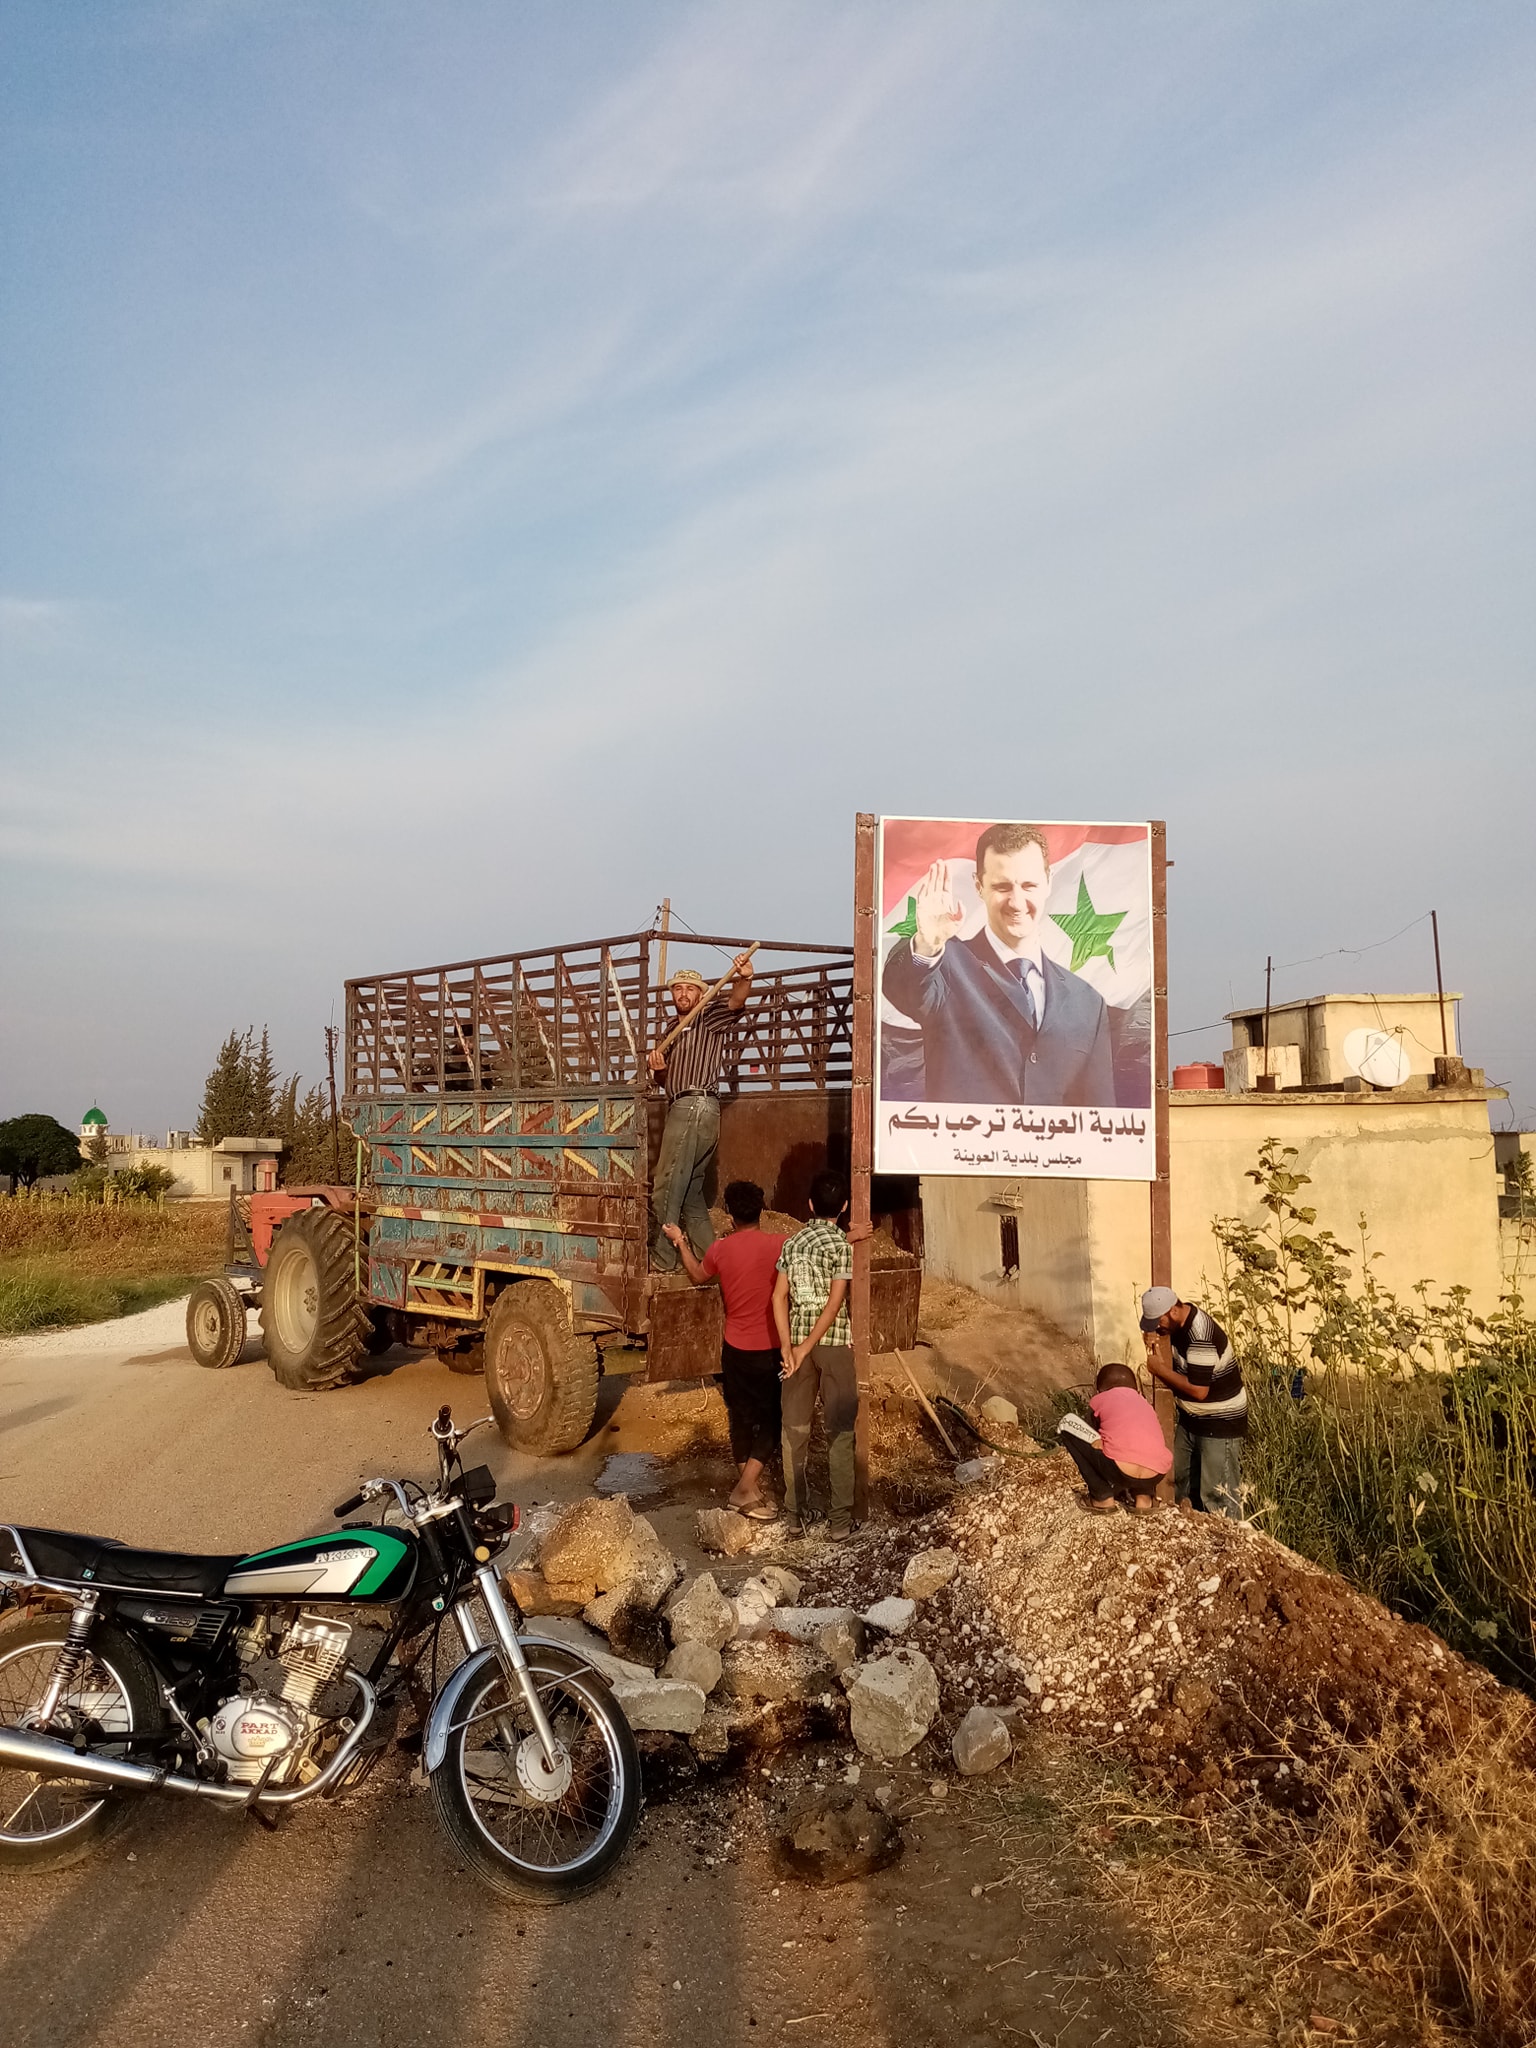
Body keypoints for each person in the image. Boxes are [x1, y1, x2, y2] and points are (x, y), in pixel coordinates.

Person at [881, 822, 1115, 1106]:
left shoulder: (1088, 1003)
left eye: (1029, 886)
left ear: (1048, 882)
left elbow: (1100, 1113)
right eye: (1002, 887)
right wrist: (927, 943)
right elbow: (901, 988)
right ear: (979, 886)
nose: (1017, 902)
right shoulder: (946, 965)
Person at [663, 1180, 787, 1520]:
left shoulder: (720, 1249)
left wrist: (680, 1241)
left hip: (734, 1349)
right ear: (761, 1211)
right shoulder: (779, 1245)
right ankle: (745, 1490)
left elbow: (696, 1275)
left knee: (741, 1419)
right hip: (769, 1349)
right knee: (773, 1420)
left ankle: (747, 1489)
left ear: (730, 1214)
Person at [647, 953, 754, 1271]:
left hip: (694, 1105)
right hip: (684, 1104)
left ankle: (663, 1258)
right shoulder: (670, 1029)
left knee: (665, 1187)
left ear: (700, 993)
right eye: (678, 989)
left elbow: (735, 1002)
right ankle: (712, 1260)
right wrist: (660, 1070)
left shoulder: (707, 1016)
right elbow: (665, 1081)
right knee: (691, 1192)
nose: (683, 994)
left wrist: (745, 978)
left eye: (690, 989)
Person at [772, 1168, 859, 1541]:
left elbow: (778, 1297)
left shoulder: (792, 1243)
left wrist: (787, 1346)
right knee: (839, 1431)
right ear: (844, 1207)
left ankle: (794, 1516)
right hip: (834, 1344)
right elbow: (835, 1303)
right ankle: (839, 1523)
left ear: (809, 1205)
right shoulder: (841, 1246)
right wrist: (806, 1346)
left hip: (794, 1348)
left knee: (794, 1430)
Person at [1139, 1286, 1247, 1519]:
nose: (1158, 1327)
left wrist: (1158, 1370)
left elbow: (1199, 1391)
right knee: (1179, 1481)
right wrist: (1152, 1337)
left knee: (1218, 1495)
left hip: (1219, 1421)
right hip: (1191, 1419)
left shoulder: (1200, 1335)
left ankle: (1229, 1536)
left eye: (1159, 1322)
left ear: (1173, 1311)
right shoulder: (1177, 1324)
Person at [1058, 1363, 1172, 1514]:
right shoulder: (1145, 1403)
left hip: (1118, 1469)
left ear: (1099, 1390)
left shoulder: (1099, 1399)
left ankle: (1101, 1497)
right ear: (1136, 1389)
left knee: (1067, 1425)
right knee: (1144, 1445)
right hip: (1157, 1473)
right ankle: (1144, 1499)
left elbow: (1091, 1436)